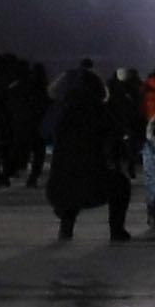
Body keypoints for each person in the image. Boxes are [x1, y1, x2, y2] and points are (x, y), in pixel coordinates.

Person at [44, 59, 132, 240]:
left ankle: (66, 228)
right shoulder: (99, 110)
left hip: (58, 188)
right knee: (121, 185)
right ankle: (116, 230)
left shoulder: (58, 110)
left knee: (69, 184)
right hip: (93, 183)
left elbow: (43, 132)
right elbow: (117, 136)